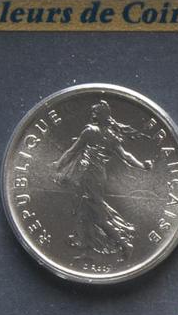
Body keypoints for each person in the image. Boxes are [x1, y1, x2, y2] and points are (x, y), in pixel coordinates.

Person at [51, 99, 155, 262]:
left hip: (87, 176)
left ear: (100, 116)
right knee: (83, 212)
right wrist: (142, 165)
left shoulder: (90, 131)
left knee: (98, 216)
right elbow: (126, 156)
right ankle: (85, 248)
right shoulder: (112, 136)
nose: (92, 114)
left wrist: (58, 165)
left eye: (95, 112)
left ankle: (124, 244)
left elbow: (72, 151)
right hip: (98, 176)